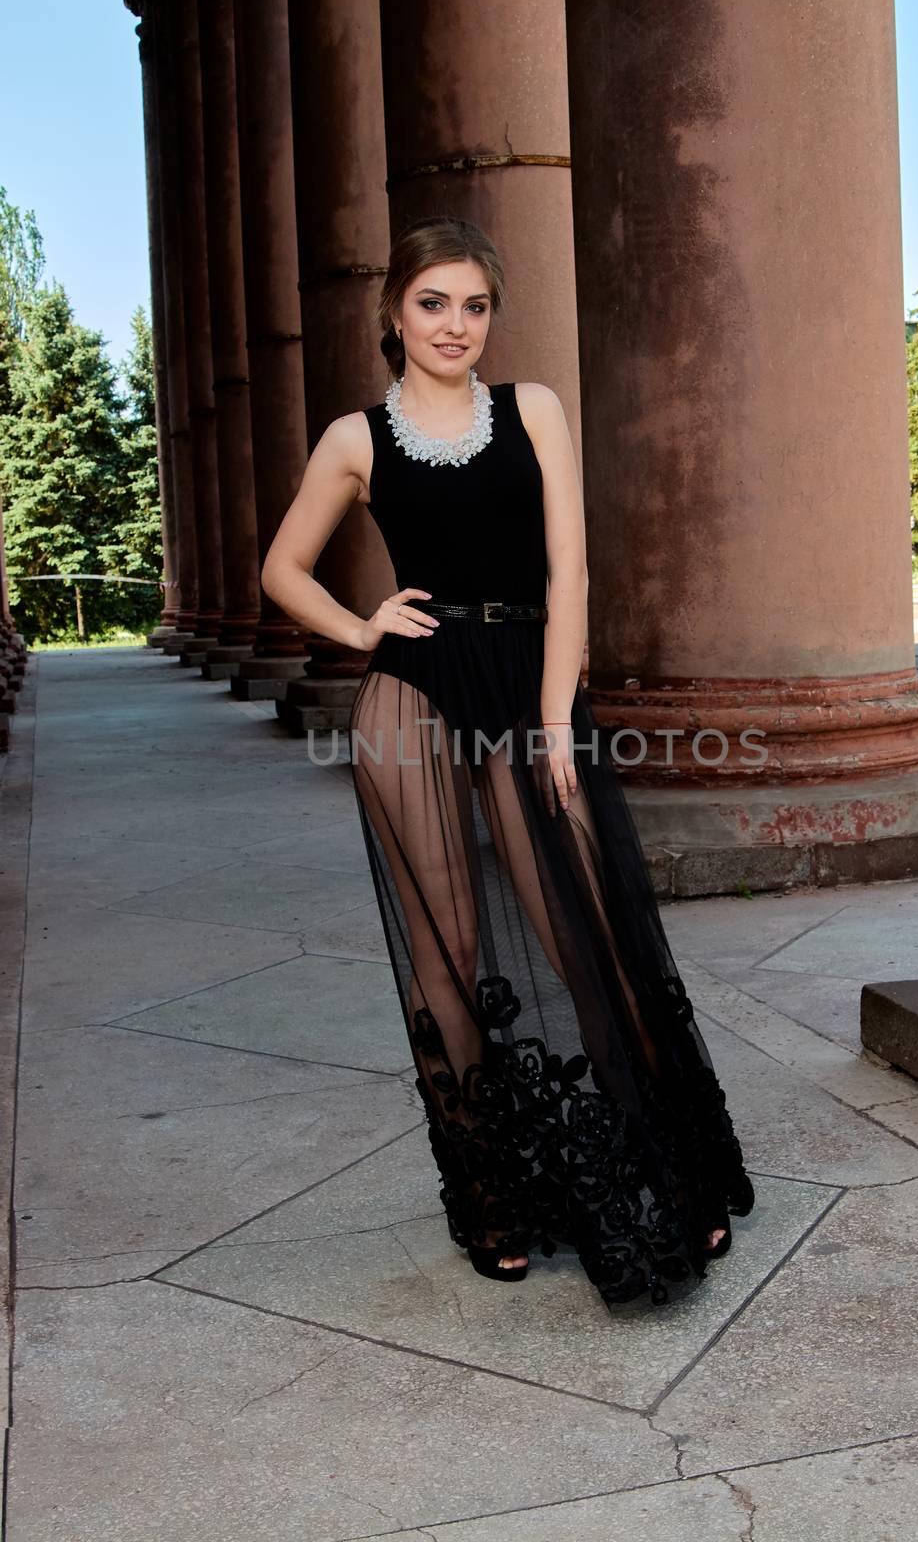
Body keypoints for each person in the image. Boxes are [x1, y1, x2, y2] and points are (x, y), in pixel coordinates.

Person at [260, 214, 754, 1307]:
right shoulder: (356, 439)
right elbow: (280, 569)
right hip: (412, 691)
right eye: (432, 302)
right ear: (394, 310)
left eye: (474, 305)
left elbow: (569, 573)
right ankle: (491, 1198)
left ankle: (664, 1173)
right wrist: (360, 628)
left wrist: (550, 714)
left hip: (529, 678)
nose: (454, 325)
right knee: (448, 951)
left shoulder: (531, 410)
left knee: (586, 927)